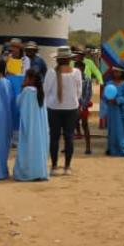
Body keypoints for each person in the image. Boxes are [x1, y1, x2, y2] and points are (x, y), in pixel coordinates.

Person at [45, 46, 83, 175]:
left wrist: (50, 102)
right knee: (69, 137)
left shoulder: (51, 72)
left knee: (54, 137)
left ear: (57, 60)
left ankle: (54, 166)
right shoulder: (76, 72)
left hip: (54, 109)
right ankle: (67, 167)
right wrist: (72, 100)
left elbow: (46, 90)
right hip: (71, 109)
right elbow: (79, 92)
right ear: (69, 59)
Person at [13, 68, 50, 181]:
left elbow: (18, 103)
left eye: (26, 78)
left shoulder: (27, 91)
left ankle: (29, 173)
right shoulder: (40, 92)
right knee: (39, 148)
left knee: (28, 148)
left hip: (30, 127)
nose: (24, 80)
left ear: (31, 79)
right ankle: (39, 172)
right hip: (40, 128)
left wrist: (22, 87)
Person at [79, 47, 105, 154]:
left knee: (85, 125)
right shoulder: (71, 64)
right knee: (70, 126)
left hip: (83, 104)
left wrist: (101, 81)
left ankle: (88, 147)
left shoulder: (88, 63)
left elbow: (97, 72)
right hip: (72, 104)